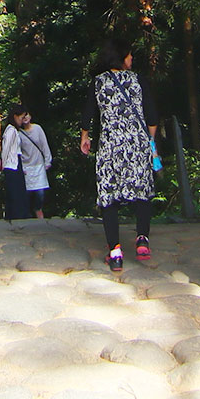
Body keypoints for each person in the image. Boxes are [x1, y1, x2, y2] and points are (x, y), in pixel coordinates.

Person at [78, 39, 154, 269]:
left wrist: (85, 136)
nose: (132, 59)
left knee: (109, 195)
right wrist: (151, 141)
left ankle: (115, 251)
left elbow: (88, 112)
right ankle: (142, 239)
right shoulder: (138, 80)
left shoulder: (98, 82)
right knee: (142, 188)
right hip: (138, 144)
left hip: (110, 145)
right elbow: (151, 114)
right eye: (129, 55)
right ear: (121, 58)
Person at [3, 107, 53, 218]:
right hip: (22, 165)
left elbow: (44, 145)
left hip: (37, 164)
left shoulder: (37, 129)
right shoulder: (15, 131)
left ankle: (36, 211)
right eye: (22, 116)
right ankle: (24, 214)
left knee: (40, 193)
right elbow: (8, 149)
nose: (24, 119)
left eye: (26, 115)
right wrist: (4, 164)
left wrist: (47, 160)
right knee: (23, 193)